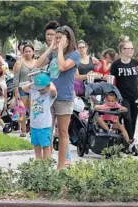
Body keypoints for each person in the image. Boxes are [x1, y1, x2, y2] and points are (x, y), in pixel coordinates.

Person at [35, 24, 80, 170]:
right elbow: (38, 64)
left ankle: (60, 167)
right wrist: (51, 47)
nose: (58, 40)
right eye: (57, 37)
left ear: (68, 39)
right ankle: (46, 164)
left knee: (62, 132)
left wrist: (60, 48)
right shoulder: (54, 52)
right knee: (46, 129)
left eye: (61, 38)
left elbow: (62, 67)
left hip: (64, 97)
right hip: (49, 95)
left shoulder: (74, 54)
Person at [110, 40, 138, 144]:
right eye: (128, 48)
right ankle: (130, 141)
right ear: (122, 50)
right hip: (122, 96)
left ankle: (128, 141)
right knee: (127, 118)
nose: (131, 50)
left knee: (134, 120)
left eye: (132, 48)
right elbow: (111, 80)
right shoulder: (116, 64)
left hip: (135, 96)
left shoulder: (136, 63)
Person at [21, 73, 57, 160]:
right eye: (38, 89)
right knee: (36, 146)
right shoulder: (34, 91)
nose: (40, 91)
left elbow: (53, 90)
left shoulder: (49, 95)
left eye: (42, 89)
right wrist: (34, 82)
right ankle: (38, 165)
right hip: (34, 125)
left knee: (45, 147)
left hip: (44, 126)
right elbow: (23, 88)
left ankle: (45, 165)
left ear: (47, 86)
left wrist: (49, 81)